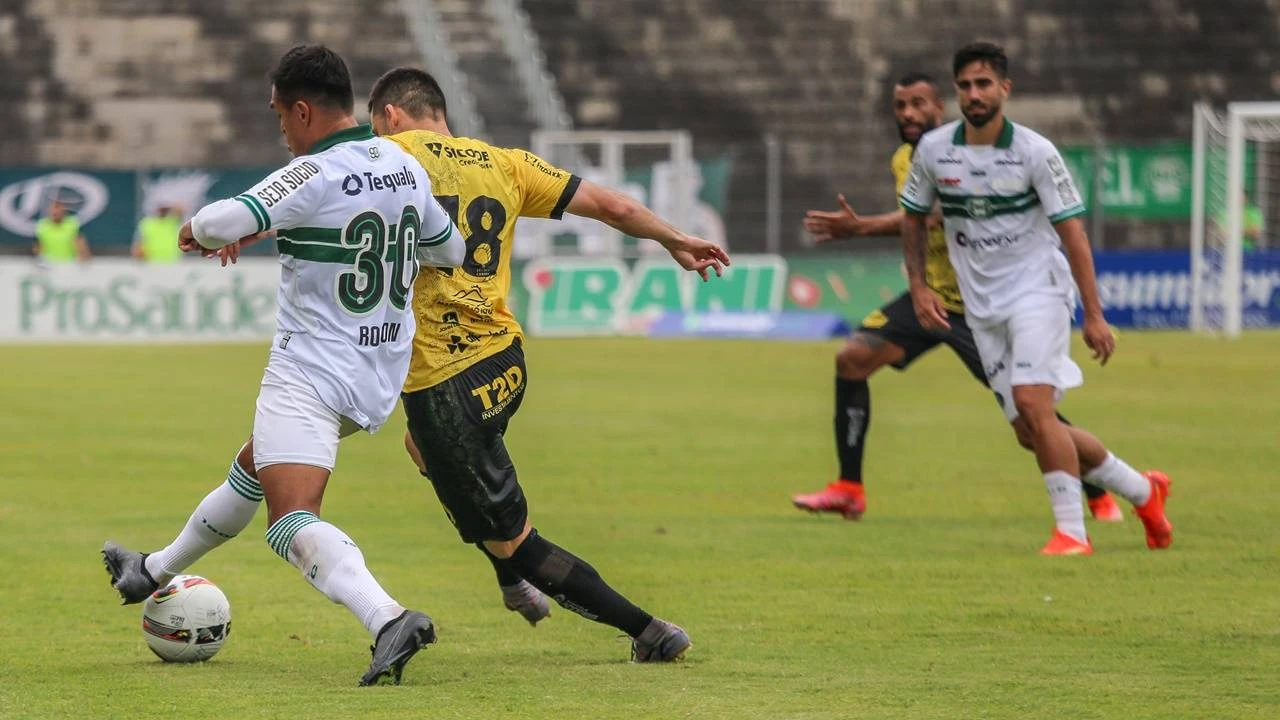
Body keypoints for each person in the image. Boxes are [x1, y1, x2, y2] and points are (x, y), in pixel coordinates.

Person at [102, 45, 465, 685]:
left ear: (301, 111)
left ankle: (387, 617)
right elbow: (450, 248)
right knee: (255, 465)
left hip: (311, 371)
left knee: (289, 520)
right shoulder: (402, 165)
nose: (281, 131)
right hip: (378, 370)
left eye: (278, 116)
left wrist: (200, 231)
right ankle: (151, 570)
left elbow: (217, 221)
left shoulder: (309, 172)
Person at [368, 66, 729, 661]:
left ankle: (649, 632)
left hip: (446, 380)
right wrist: (674, 238)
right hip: (505, 361)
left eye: (377, 126)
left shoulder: (387, 158)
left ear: (390, 116)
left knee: (517, 541)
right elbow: (609, 205)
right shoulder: (505, 163)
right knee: (421, 449)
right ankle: (510, 575)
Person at [794, 72, 1121, 522]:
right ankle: (849, 488)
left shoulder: (961, 154)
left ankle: (1101, 490)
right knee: (852, 359)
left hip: (979, 305)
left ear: (939, 107)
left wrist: (861, 227)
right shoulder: (904, 159)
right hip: (929, 298)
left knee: (1030, 417)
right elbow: (916, 221)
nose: (908, 114)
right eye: (900, 106)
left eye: (918, 104)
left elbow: (932, 216)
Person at [899, 43, 1173, 555]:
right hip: (982, 306)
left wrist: (1094, 315)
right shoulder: (934, 151)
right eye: (965, 85)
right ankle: (1143, 491)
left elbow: (1073, 235)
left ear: (1005, 89)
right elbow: (913, 219)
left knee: (1033, 402)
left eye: (984, 84)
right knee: (1031, 429)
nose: (974, 94)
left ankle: (1072, 533)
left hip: (1037, 290)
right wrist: (919, 286)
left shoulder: (1035, 152)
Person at [33, 199, 91, 263]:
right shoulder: (42, 225)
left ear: (63, 211)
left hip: (69, 261)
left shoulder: (72, 223)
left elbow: (81, 245)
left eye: (58, 209)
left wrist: (84, 260)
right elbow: (39, 246)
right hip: (48, 262)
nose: (55, 212)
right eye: (53, 210)